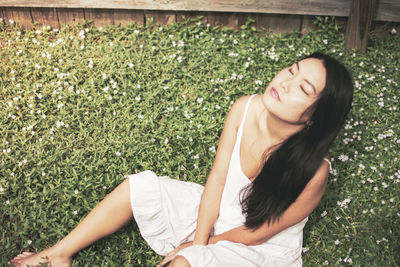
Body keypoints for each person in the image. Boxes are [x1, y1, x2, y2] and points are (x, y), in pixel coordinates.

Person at [9, 52, 353, 267]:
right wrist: (201, 235)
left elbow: (255, 234)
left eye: (304, 89)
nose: (286, 82)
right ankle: (58, 254)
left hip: (257, 248)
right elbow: (216, 181)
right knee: (139, 188)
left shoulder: (314, 172)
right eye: (291, 71)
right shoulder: (245, 107)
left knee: (189, 261)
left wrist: (198, 247)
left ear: (314, 118)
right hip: (214, 212)